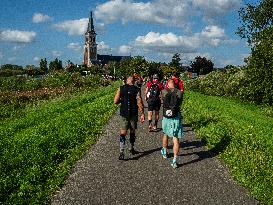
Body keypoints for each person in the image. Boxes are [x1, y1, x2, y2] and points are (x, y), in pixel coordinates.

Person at [114, 76, 145, 160]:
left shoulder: (121, 88)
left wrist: (122, 100)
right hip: (133, 113)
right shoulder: (136, 89)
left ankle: (121, 151)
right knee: (132, 131)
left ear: (126, 81)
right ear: (133, 81)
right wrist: (142, 114)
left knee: (123, 132)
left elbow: (115, 101)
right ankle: (131, 148)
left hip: (124, 114)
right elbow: (139, 102)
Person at [161, 79, 183, 168]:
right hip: (176, 116)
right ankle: (174, 160)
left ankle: (165, 152)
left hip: (166, 117)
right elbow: (180, 103)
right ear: (175, 84)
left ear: (168, 85)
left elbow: (163, 101)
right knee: (176, 138)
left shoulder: (163, 91)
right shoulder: (180, 93)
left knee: (165, 134)